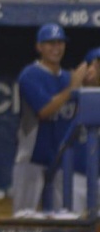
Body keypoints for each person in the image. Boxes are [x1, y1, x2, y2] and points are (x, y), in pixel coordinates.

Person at [13, 24, 88, 215]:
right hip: (32, 156)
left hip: (62, 159)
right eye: (50, 43)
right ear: (39, 47)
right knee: (24, 216)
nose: (56, 48)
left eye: (59, 43)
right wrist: (72, 88)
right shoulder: (30, 75)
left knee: (62, 217)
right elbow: (44, 110)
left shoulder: (67, 77)